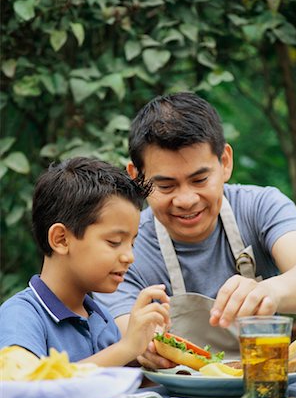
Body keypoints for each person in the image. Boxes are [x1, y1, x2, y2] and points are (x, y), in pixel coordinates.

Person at [94, 92, 296, 368]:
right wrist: (143, 347)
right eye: (166, 186)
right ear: (137, 178)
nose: (186, 200)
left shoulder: (261, 207)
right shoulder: (124, 247)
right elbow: (124, 332)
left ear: (225, 162)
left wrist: (272, 291)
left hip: (266, 389)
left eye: (200, 179)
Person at [0, 157, 170, 366]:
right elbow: (27, 389)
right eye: (114, 242)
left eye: (132, 243)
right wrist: (126, 348)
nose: (129, 257)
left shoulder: (101, 317)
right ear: (61, 239)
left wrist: (147, 356)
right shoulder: (21, 315)